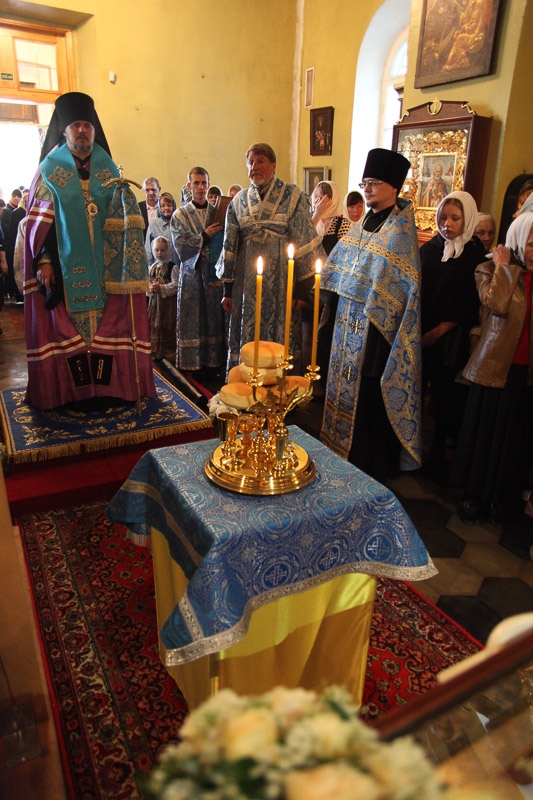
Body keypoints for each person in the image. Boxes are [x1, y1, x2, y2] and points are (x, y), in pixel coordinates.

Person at [22, 91, 155, 411]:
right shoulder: (49, 172)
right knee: (72, 333)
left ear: (94, 130)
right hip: (64, 274)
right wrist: (43, 261)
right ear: (64, 130)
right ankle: (72, 394)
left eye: (87, 126)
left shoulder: (110, 170)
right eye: (76, 126)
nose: (82, 131)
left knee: (107, 330)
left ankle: (108, 390)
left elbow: (125, 221)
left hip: (107, 274)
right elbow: (38, 228)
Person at [319, 148, 422, 483]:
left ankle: (365, 468)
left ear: (394, 187)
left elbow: (400, 291)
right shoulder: (362, 225)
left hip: (375, 333)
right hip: (344, 326)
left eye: (374, 183)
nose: (367, 189)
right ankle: (336, 453)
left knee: (367, 402)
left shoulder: (400, 234)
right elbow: (338, 266)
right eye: (365, 183)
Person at [452, 212, 533, 529]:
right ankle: (472, 496)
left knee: (512, 441)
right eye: (531, 243)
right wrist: (504, 267)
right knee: (484, 436)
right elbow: (497, 305)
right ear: (517, 241)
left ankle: (501, 498)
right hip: (494, 368)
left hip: (525, 373)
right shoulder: (488, 269)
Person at [216, 142, 323, 374]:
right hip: (246, 286)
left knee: (281, 334)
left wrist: (302, 291)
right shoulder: (238, 202)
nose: (254, 167)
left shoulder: (293, 196)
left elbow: (304, 241)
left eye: (260, 161)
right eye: (250, 162)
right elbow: (229, 246)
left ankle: (280, 385)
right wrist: (227, 290)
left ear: (273, 165)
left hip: (282, 283)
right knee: (248, 334)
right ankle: (246, 382)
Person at [420, 191, 486, 480]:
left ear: (467, 219)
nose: (447, 224)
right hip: (421, 333)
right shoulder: (429, 249)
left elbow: (469, 302)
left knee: (445, 400)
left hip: (451, 338)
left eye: (455, 218)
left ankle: (440, 458)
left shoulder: (474, 255)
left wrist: (439, 331)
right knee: (417, 395)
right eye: (443, 217)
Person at [171, 166, 226, 373]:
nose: (201, 187)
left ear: (208, 185)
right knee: (193, 319)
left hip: (213, 277)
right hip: (191, 277)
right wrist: (204, 236)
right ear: (189, 186)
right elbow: (180, 246)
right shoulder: (180, 215)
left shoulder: (217, 212)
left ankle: (213, 363)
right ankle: (192, 364)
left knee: (212, 319)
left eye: (204, 183)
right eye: (196, 183)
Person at [310, 180, 351, 394]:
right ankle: (307, 378)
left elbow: (346, 256)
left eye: (324, 198)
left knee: (325, 335)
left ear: (332, 201)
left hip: (332, 289)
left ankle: (324, 381)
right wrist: (316, 215)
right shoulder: (309, 222)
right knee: (307, 334)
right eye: (316, 197)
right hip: (308, 286)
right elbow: (302, 242)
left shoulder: (342, 224)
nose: (318, 201)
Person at [147, 236, 179, 361]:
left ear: (168, 250)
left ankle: (168, 351)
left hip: (167, 303)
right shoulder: (152, 267)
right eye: (157, 250)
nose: (159, 253)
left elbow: (176, 285)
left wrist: (161, 287)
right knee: (155, 323)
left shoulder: (172, 267)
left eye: (163, 250)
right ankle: (155, 349)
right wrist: (150, 287)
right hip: (155, 302)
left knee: (167, 323)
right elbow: (148, 282)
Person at [145, 192, 179, 266]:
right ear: (159, 208)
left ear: (173, 206)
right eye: (163, 206)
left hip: (177, 266)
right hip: (159, 267)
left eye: (169, 205)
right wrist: (150, 268)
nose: (166, 208)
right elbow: (148, 251)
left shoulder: (180, 223)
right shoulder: (153, 225)